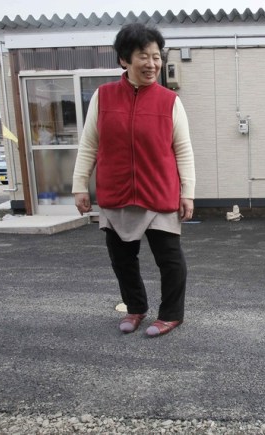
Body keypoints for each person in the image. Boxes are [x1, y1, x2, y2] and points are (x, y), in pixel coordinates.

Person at [72, 23, 195, 338]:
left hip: (159, 193)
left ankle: (171, 314)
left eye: (156, 56)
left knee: (170, 260)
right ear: (124, 59)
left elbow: (184, 151)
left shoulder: (170, 101)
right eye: (144, 56)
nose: (152, 64)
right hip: (117, 192)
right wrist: (79, 185)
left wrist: (188, 193)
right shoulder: (104, 97)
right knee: (122, 261)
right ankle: (136, 307)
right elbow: (89, 144)